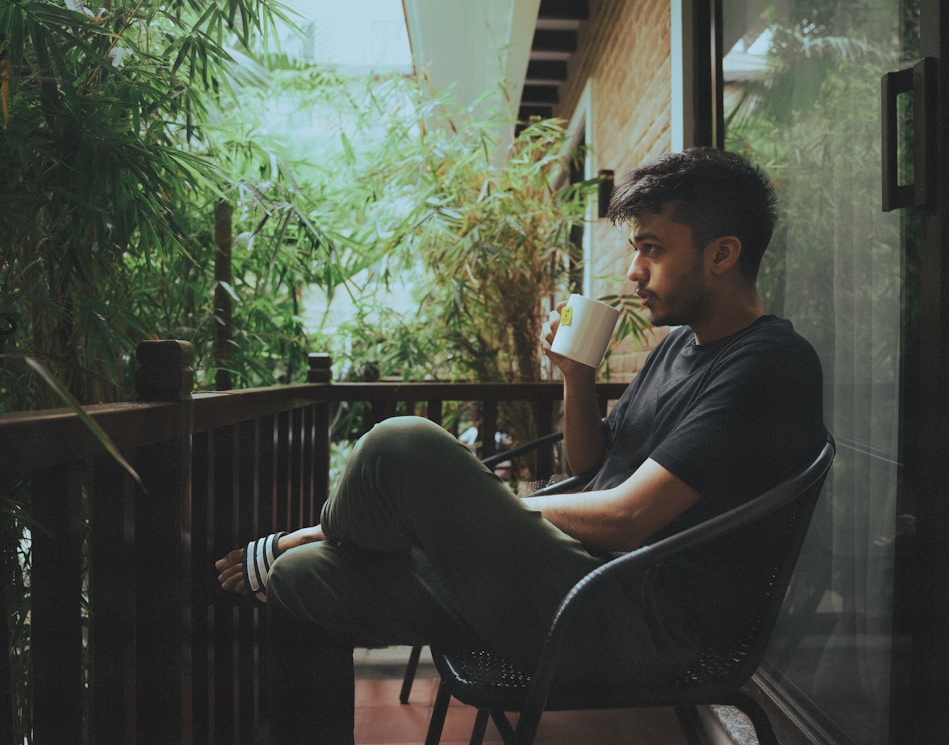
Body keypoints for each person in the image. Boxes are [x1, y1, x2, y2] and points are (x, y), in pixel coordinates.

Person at [215, 147, 828, 744]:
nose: (634, 271)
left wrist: (473, 509)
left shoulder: (770, 364)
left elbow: (624, 517)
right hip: (571, 579)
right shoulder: (678, 347)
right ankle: (317, 543)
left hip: (643, 623)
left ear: (722, 254)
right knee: (301, 579)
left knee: (401, 443)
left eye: (652, 249)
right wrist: (575, 375)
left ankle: (326, 527)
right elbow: (592, 469)